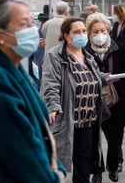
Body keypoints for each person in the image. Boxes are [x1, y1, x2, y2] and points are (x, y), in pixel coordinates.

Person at [0, 0, 66, 182]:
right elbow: (18, 148)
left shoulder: (14, 69)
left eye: (32, 23)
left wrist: (57, 169)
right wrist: (52, 177)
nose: (33, 31)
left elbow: (40, 131)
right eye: (24, 25)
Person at [41, 17, 110, 183]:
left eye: (84, 31)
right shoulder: (55, 56)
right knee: (59, 165)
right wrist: (54, 106)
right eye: (77, 32)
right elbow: (51, 85)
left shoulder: (88, 57)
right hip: (67, 120)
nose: (82, 35)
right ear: (66, 35)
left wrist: (104, 78)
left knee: (84, 167)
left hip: (89, 122)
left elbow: (88, 78)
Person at [85, 13, 125, 183]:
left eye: (103, 30)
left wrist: (124, 96)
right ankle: (97, 170)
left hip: (116, 101)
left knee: (114, 139)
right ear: (89, 33)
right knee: (93, 138)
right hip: (91, 101)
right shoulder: (84, 50)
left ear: (108, 31)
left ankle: (113, 167)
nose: (100, 34)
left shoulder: (118, 48)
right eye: (95, 31)